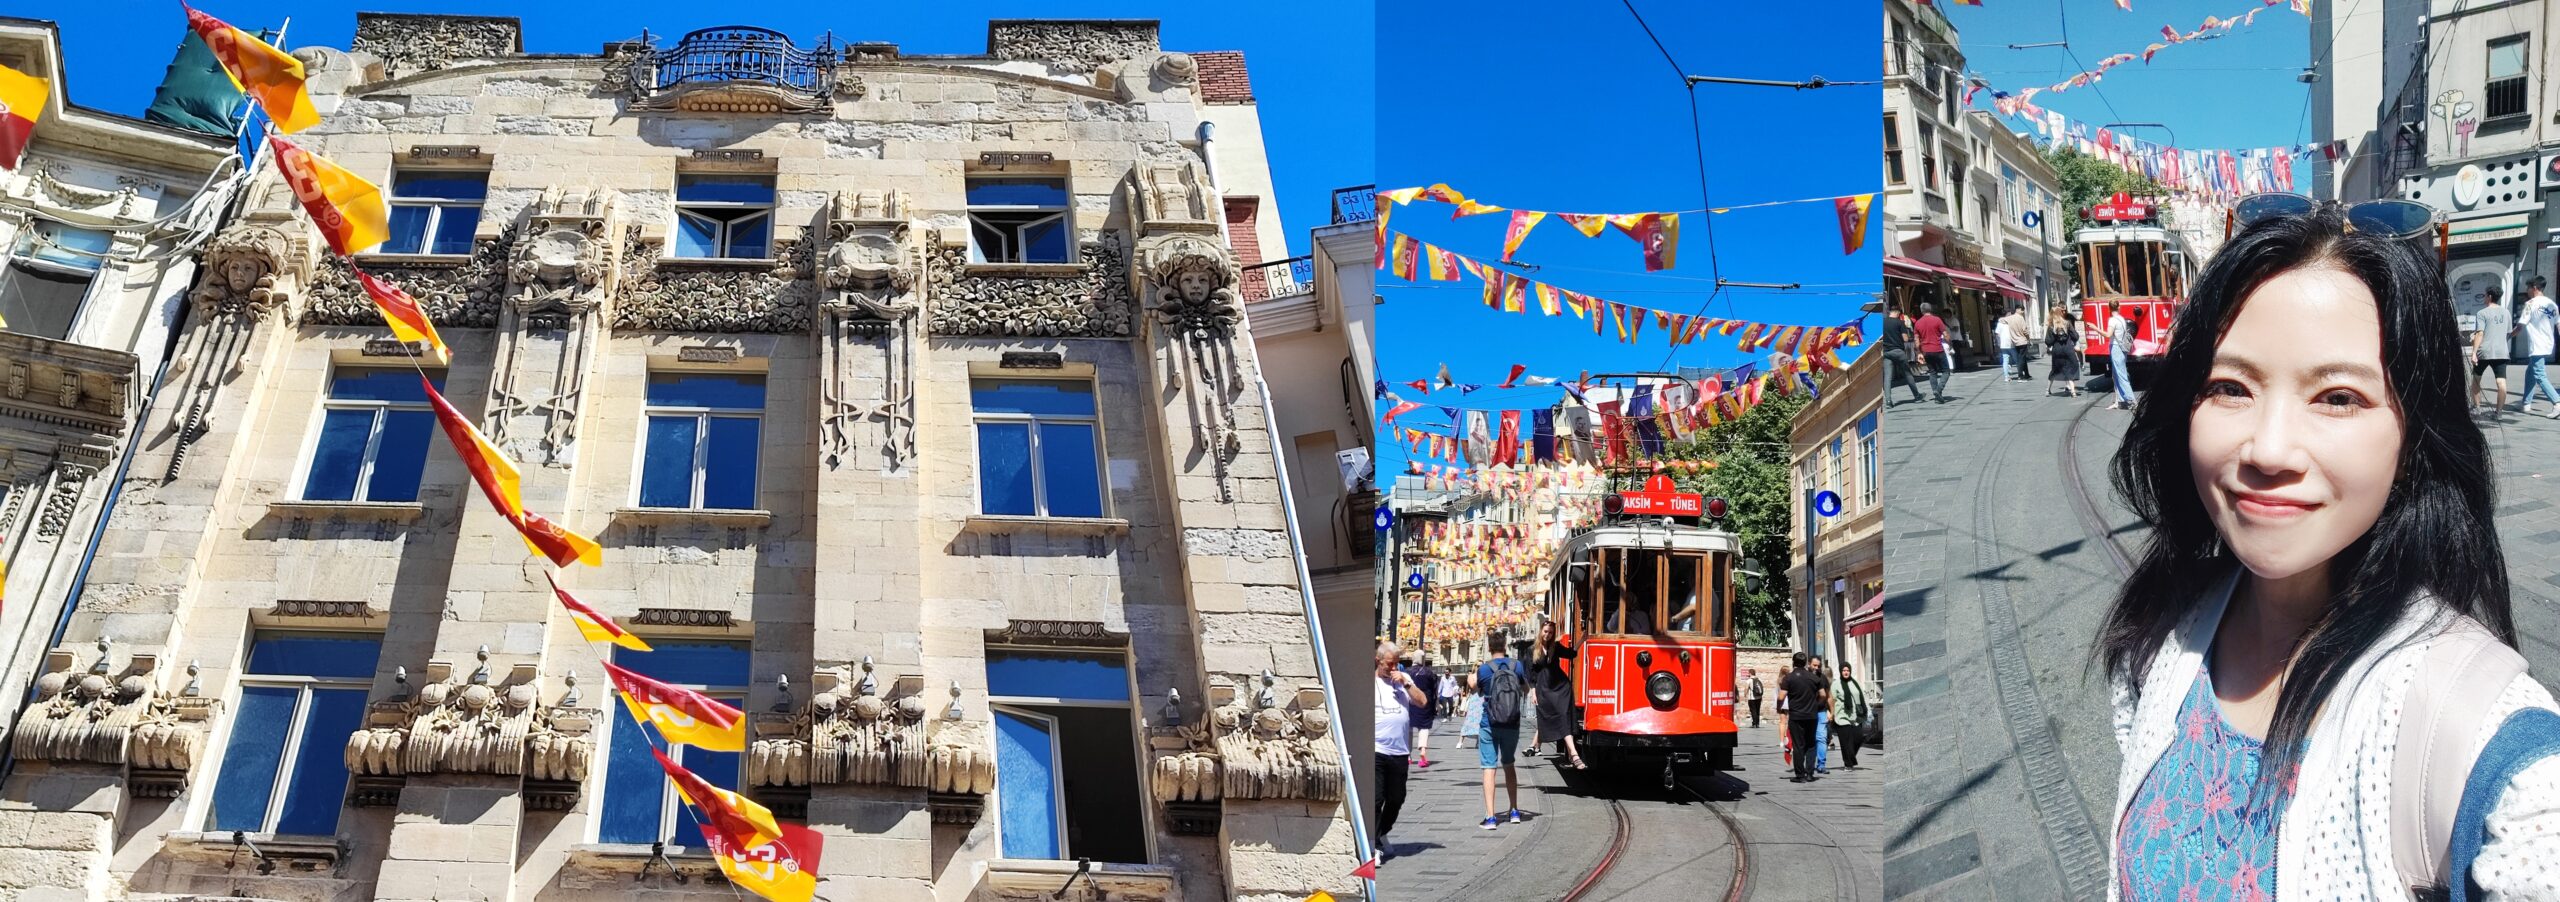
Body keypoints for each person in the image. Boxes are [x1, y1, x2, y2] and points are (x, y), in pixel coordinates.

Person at [2098, 200, 2560, 898]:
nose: (2270, 449)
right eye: (2229, 387)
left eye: (2338, 397)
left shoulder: (2496, 755)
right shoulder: (2158, 641)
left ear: (2413, 441)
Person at [1373, 641, 1425, 860]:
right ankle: (1372, 845)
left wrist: (1406, 683)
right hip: (1376, 748)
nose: (1393, 668)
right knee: (1376, 799)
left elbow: (1423, 701)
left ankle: (1381, 833)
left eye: (1396, 663)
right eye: (1389, 664)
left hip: (1400, 751)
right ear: (1378, 661)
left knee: (1396, 799)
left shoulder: (1404, 679)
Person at [1476, 633, 1528, 829]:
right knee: (1509, 764)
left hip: (1489, 723)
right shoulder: (1517, 666)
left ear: (1489, 647)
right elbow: (1524, 688)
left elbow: (1478, 689)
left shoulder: (1484, 669)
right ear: (1505, 646)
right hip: (1511, 723)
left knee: (1489, 768)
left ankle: (1491, 817)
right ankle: (1514, 810)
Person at [1527, 621, 1584, 769]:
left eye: (1551, 632)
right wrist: (1533, 693)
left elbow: (1572, 654)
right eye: (1545, 631)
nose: (1547, 634)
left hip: (1560, 688)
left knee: (1564, 717)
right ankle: (1535, 746)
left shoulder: (1556, 647)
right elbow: (1531, 674)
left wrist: (1582, 640)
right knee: (1546, 718)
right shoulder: (1532, 650)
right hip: (1543, 690)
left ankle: (1574, 754)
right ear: (1541, 631)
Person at [1780, 652, 1827, 783]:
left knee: (1798, 745)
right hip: (1812, 715)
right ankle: (1810, 773)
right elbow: (1823, 695)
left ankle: (1800, 775)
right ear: (1806, 663)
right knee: (1811, 744)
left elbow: (1781, 697)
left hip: (1796, 715)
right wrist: (1817, 705)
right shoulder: (1814, 678)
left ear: (1793, 663)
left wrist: (1780, 708)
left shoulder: (1788, 678)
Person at [2518, 276, 2560, 418]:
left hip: (2537, 344)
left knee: (2539, 375)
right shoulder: (2552, 304)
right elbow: (2558, 325)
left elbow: (2521, 324)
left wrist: (2510, 334)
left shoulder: (2531, 304)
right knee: (2531, 371)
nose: (2527, 290)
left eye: (2528, 288)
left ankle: (2557, 402)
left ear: (2534, 288)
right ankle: (2526, 403)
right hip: (2547, 343)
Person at [2473, 284, 2514, 416]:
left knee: (2476, 379)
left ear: (2489, 296)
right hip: (2502, 352)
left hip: (2484, 352)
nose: (2484, 298)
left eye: (2485, 295)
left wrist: (2474, 353)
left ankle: (2477, 407)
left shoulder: (2482, 313)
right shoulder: (2506, 312)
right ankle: (2499, 413)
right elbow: (2509, 332)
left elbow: (2480, 334)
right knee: (2501, 382)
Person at [1403, 655, 1439, 769]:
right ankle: (1423, 750)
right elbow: (1435, 689)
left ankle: (1408, 756)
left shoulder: (1407, 671)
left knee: (1408, 729)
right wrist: (1435, 704)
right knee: (1423, 728)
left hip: (1410, 701)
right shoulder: (1429, 673)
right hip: (1425, 701)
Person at [1883, 307, 1924, 405]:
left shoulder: (1882, 322)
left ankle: (1888, 400)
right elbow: (1905, 339)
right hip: (1898, 351)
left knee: (1888, 376)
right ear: (1898, 313)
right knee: (1907, 374)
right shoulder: (1899, 323)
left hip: (1886, 352)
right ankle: (1917, 396)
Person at [1831, 662, 1867, 769]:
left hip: (1856, 717)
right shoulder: (1836, 684)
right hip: (1841, 716)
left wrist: (1865, 710)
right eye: (1844, 670)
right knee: (1845, 742)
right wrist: (1831, 714)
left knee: (1858, 738)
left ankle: (1850, 758)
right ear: (1840, 671)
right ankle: (1848, 764)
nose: (1846, 672)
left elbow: (1861, 697)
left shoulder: (1855, 682)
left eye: (1847, 670)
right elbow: (1831, 700)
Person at [1914, 303, 1951, 402]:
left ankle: (1936, 393)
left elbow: (1916, 340)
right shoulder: (1937, 320)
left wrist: (1919, 353)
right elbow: (1945, 334)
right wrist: (1949, 344)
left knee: (1932, 372)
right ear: (1931, 310)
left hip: (1926, 351)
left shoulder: (1918, 323)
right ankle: (1938, 390)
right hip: (1938, 349)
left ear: (1922, 311)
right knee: (1946, 371)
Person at [2106, 301, 2138, 410]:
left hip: (2116, 348)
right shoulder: (2122, 319)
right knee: (2116, 375)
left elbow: (2108, 335)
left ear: (2109, 308)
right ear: (2119, 307)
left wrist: (2094, 327)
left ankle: (2131, 400)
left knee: (2120, 374)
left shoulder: (2112, 320)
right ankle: (2119, 401)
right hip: (2123, 348)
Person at [2047, 307, 2084, 397]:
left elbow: (2048, 341)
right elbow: (2075, 336)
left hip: (2057, 350)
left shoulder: (2051, 326)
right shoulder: (2067, 323)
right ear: (2060, 313)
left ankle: (2047, 390)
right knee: (2071, 367)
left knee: (2055, 369)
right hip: (2068, 349)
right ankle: (2073, 392)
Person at [1809, 656, 1832, 774]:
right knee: (1808, 739)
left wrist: (1831, 711)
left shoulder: (1822, 678)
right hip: (1807, 712)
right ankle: (1808, 765)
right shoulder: (1805, 677)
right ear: (1809, 664)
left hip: (1821, 711)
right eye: (1814, 665)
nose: (1816, 668)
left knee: (1821, 738)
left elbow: (1828, 696)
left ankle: (1821, 764)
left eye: (1818, 666)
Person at [2002, 304, 2035, 382]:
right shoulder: (2021, 318)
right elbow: (2025, 331)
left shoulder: (2010, 318)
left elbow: (2001, 320)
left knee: (2022, 358)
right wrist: (2029, 339)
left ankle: (2026, 374)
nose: (2023, 312)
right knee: (2021, 359)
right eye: (2022, 310)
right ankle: (2021, 376)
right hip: (2022, 341)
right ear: (2018, 309)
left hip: (2015, 341)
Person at [1995, 303, 2023, 380]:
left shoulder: (2000, 323)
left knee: (2005, 360)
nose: (2011, 315)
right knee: (2017, 359)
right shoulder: (2010, 322)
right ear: (2008, 314)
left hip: (2003, 344)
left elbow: (1997, 333)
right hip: (2011, 343)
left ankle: (2006, 377)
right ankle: (2020, 375)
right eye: (2010, 313)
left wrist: (2000, 341)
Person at [1457, 673, 1482, 748]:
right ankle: (1460, 741)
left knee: (1480, 721)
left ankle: (1478, 741)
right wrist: (1480, 678)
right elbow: (1472, 685)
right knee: (1469, 720)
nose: (1480, 667)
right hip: (1474, 699)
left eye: (1481, 665)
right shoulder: (1471, 676)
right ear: (1475, 666)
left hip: (1482, 699)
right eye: (1478, 666)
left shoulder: (1484, 674)